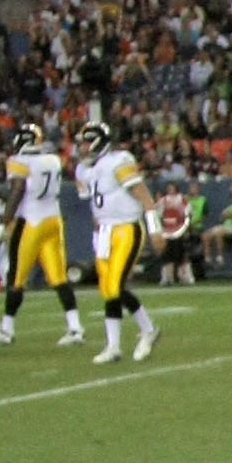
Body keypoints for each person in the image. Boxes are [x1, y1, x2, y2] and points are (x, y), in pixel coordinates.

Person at [0, 122, 84, 348]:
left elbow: (19, 190)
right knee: (59, 277)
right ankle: (75, 327)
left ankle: (6, 328)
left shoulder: (18, 162)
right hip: (54, 220)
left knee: (16, 279)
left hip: (32, 222)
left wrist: (5, 221)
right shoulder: (53, 159)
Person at [76, 120, 159, 363]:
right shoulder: (83, 170)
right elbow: (95, 203)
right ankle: (119, 343)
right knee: (109, 289)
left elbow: (143, 194)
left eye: (86, 142)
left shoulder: (118, 161)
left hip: (126, 228)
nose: (81, 147)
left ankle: (142, 332)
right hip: (104, 231)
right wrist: (98, 231)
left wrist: (155, 229)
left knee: (114, 285)